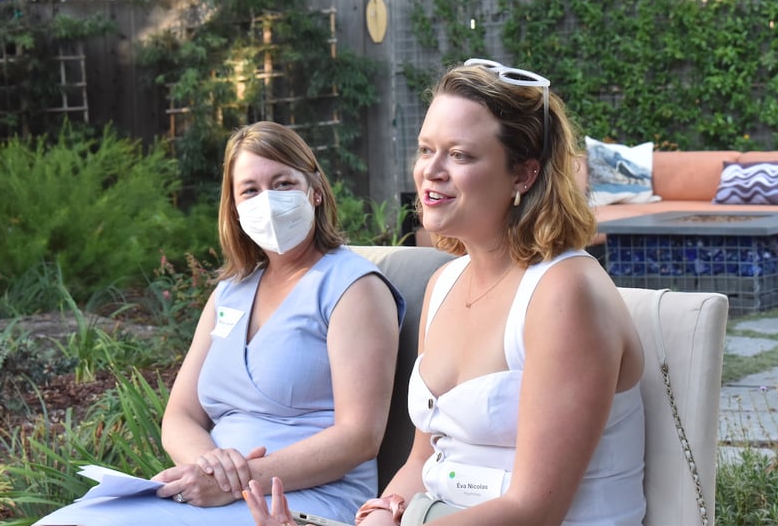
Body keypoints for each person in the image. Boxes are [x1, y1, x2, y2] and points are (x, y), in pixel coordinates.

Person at [245, 60, 646, 526]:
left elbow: (535, 510)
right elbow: (421, 463)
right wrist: (380, 514)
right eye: (425, 150)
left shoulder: (564, 292)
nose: (430, 171)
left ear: (523, 175)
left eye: (460, 155)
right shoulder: (443, 284)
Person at [36, 121, 405, 526]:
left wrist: (237, 481)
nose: (268, 200)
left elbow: (360, 437)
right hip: (210, 497)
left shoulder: (353, 288)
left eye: (283, 183)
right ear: (235, 206)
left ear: (315, 191)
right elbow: (179, 415)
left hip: (303, 499)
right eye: (250, 190)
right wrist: (208, 472)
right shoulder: (231, 291)